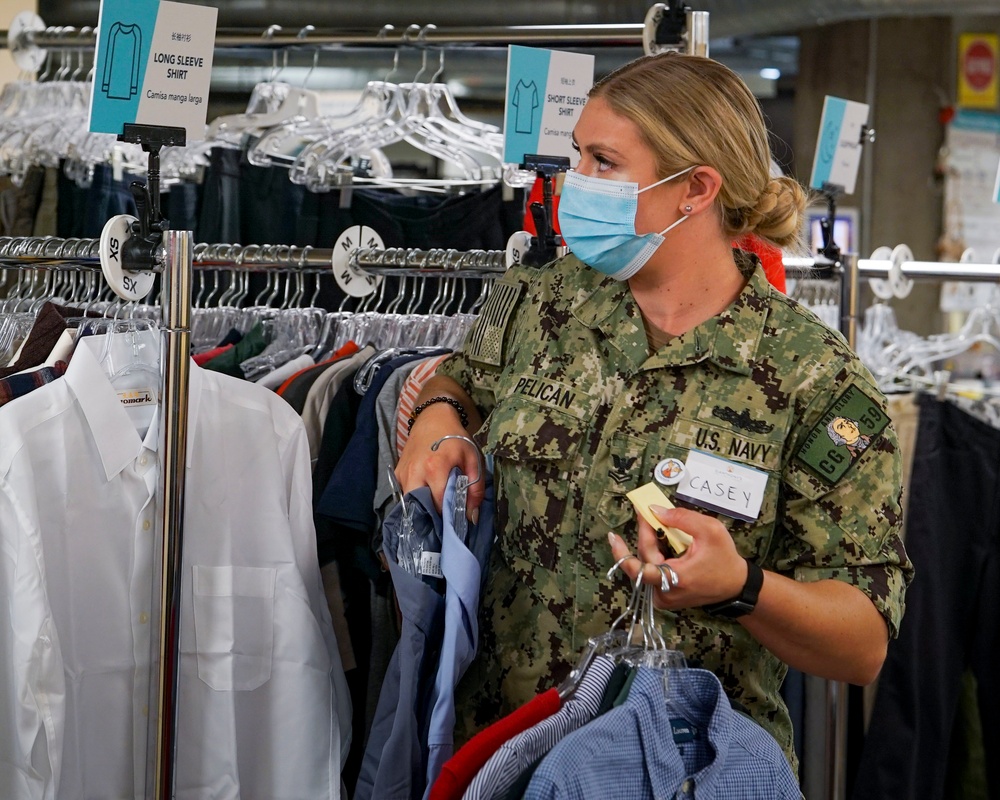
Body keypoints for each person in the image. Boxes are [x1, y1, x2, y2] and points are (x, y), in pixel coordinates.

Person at [395, 51, 912, 773]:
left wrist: (741, 588)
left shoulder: (815, 382)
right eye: (579, 156)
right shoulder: (542, 300)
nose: (577, 183)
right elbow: (461, 380)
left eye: (603, 162)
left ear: (695, 189)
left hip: (680, 770)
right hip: (501, 750)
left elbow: (861, 644)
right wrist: (437, 421)